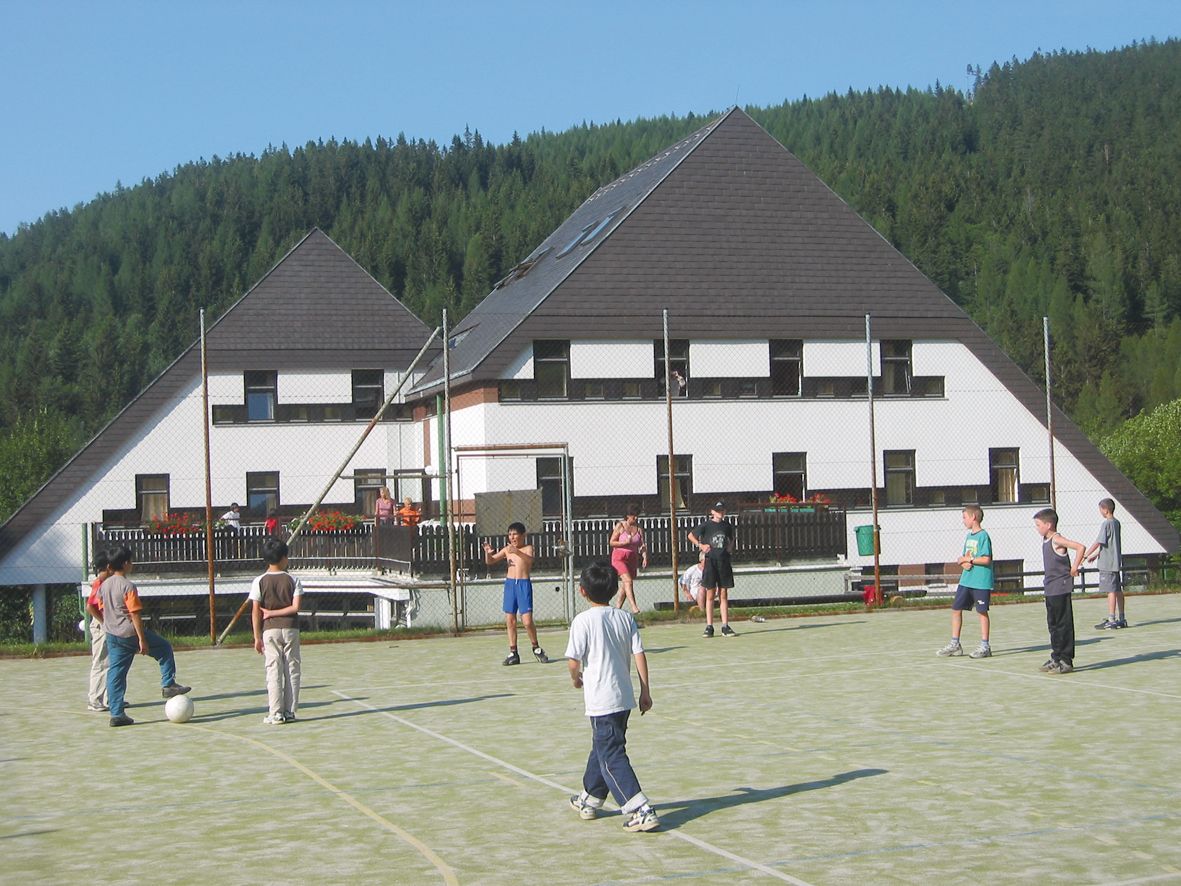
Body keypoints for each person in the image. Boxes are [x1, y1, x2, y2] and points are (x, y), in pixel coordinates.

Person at [565, 561, 659, 832]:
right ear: (615, 589)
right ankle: (590, 798)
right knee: (604, 746)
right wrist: (645, 691)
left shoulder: (582, 621)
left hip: (601, 700)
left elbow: (573, 661)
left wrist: (575, 678)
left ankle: (641, 809)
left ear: (582, 591)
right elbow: (639, 654)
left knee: (611, 754)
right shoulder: (625, 618)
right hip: (623, 698)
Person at [97, 545, 190, 727]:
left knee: (116, 673)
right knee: (164, 648)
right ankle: (168, 684)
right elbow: (134, 614)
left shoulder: (104, 585)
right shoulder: (128, 586)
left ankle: (117, 714)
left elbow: (102, 607)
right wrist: (141, 639)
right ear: (125, 564)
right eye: (131, 561)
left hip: (112, 634)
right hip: (129, 633)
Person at [250, 537, 303, 725]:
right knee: (292, 669)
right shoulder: (293, 579)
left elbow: (255, 611)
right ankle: (290, 711)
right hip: (291, 629)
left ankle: (275, 713)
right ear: (284, 558)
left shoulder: (259, 581)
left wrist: (257, 637)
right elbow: (295, 607)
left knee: (273, 671)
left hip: (269, 631)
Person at [483, 522, 548, 666]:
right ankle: (513, 652)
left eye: (515, 534)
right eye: (510, 534)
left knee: (527, 621)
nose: (512, 537)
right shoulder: (507, 550)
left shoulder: (528, 548)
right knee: (510, 620)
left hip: (523, 585)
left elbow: (530, 560)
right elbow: (491, 561)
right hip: (510, 585)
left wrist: (516, 552)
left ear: (523, 535)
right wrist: (488, 553)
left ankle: (536, 648)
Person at [936, 506, 994, 658]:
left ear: (973, 517)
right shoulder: (969, 536)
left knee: (982, 612)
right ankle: (955, 644)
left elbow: (986, 559)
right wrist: (963, 562)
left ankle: (985, 646)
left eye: (964, 517)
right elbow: (964, 557)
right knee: (956, 609)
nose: (963, 521)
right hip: (966, 580)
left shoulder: (983, 536)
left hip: (980, 582)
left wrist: (971, 560)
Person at [1034, 508, 1087, 674]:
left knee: (1063, 624)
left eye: (1038, 525)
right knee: (1053, 624)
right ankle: (1056, 657)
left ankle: (1066, 660)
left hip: (1060, 587)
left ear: (1048, 525)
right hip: (1050, 588)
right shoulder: (1046, 540)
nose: (1037, 528)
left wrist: (1074, 567)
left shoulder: (1057, 540)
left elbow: (1080, 547)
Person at [687, 501, 737, 637]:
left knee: (723, 593)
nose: (721, 512)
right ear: (712, 512)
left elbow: (731, 539)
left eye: (723, 510)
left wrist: (729, 548)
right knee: (710, 594)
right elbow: (691, 535)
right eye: (718, 510)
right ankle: (709, 626)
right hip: (710, 562)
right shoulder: (706, 525)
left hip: (724, 562)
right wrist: (701, 545)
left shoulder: (727, 526)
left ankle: (725, 626)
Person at [1085, 498, 1125, 629]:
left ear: (1105, 510)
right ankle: (1122, 618)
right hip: (1115, 562)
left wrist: (1086, 554)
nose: (1100, 512)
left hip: (1107, 564)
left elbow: (1099, 541)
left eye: (1100, 509)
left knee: (1111, 591)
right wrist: (1096, 555)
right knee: (1117, 590)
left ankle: (1111, 619)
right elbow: (1109, 545)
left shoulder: (1106, 524)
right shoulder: (1117, 523)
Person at [84, 549, 114, 712]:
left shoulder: (107, 581)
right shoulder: (99, 583)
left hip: (109, 625)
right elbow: (90, 607)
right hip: (101, 627)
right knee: (101, 663)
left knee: (112, 662)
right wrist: (103, 623)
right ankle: (95, 699)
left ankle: (110, 699)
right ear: (108, 566)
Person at [608, 505, 648, 616]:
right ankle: (634, 607)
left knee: (625, 585)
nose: (636, 518)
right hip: (619, 558)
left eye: (637, 515)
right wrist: (624, 543)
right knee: (628, 581)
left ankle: (617, 609)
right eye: (633, 515)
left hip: (632, 559)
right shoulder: (620, 526)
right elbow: (612, 542)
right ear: (627, 516)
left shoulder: (639, 529)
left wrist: (644, 556)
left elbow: (642, 545)